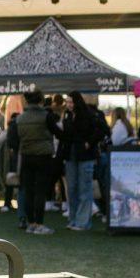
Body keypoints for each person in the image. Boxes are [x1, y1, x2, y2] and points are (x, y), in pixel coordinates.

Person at [13, 89, 60, 235]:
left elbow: (14, 140)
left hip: (26, 156)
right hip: (43, 157)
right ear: (41, 101)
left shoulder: (20, 118)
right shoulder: (46, 116)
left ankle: (30, 223)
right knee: (40, 191)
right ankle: (39, 224)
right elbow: (58, 133)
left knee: (28, 191)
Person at [59, 92, 101, 230]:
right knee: (71, 189)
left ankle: (82, 222)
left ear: (77, 102)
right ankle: (73, 219)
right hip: (70, 156)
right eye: (68, 102)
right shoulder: (67, 115)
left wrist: (89, 142)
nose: (69, 105)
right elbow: (65, 134)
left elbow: (100, 130)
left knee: (84, 188)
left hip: (85, 156)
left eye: (71, 102)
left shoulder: (88, 114)